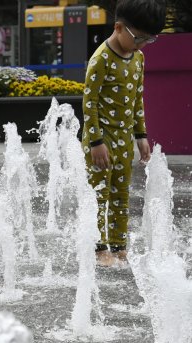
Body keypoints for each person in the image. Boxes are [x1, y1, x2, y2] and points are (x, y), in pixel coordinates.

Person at [81, 0, 166, 266]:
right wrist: (96, 142)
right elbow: (89, 102)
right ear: (119, 28)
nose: (142, 45)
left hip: (124, 140)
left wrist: (141, 136)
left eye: (148, 40)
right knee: (100, 194)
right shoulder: (101, 59)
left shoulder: (138, 58)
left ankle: (119, 246)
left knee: (121, 193)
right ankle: (99, 248)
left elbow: (137, 98)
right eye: (139, 38)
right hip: (100, 141)